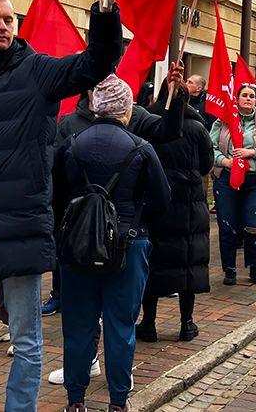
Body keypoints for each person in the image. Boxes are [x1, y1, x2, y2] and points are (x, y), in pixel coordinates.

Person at [0, 0, 123, 411]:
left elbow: (95, 62)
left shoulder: (38, 71)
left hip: (19, 227)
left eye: (9, 19)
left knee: (26, 342)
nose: (3, 26)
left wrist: (106, 11)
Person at [57, 74, 171, 412]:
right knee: (121, 326)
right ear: (126, 109)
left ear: (95, 106)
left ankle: (75, 400)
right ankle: (118, 402)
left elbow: (57, 193)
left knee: (78, 324)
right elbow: (162, 200)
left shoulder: (72, 143)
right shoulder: (140, 147)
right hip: (128, 243)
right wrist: (137, 219)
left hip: (78, 245)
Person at [137, 80, 214, 343]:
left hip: (156, 200)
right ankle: (186, 323)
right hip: (190, 202)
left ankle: (148, 323)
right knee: (187, 263)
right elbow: (206, 166)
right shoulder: (198, 128)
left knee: (154, 263)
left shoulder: (148, 124)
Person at [210, 83, 256, 285]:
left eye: (252, 96)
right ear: (237, 99)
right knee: (227, 225)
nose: (248, 98)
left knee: (253, 225)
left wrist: (252, 153)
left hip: (254, 181)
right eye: (244, 95)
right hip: (227, 179)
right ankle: (229, 268)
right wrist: (225, 161)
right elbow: (210, 148)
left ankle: (254, 265)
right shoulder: (222, 122)